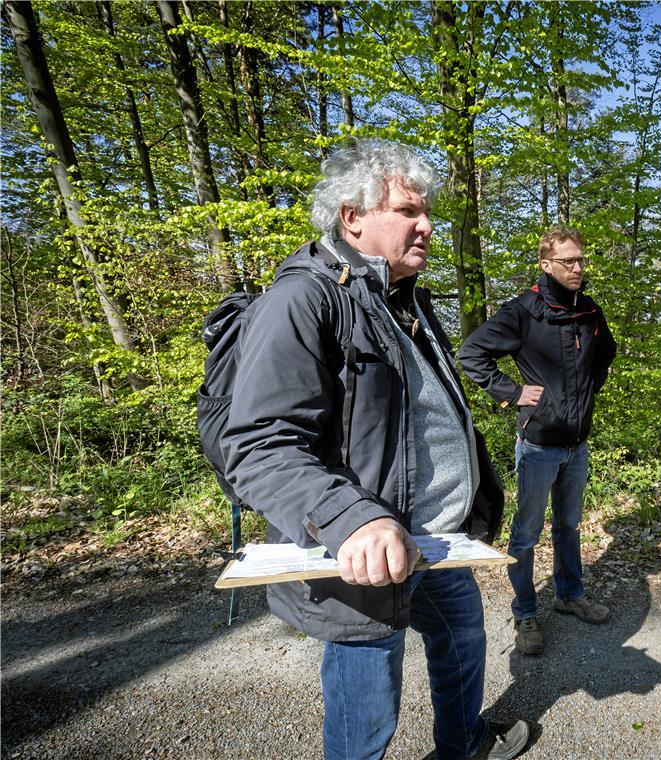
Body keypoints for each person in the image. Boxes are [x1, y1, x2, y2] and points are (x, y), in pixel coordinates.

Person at [221, 139, 527, 759]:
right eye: (408, 212)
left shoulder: (402, 296)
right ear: (352, 216)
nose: (427, 225)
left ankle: (462, 743)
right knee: (368, 698)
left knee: (463, 638)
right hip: (365, 550)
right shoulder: (303, 300)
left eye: (427, 212)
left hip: (437, 539)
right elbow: (258, 443)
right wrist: (352, 518)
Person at [458, 226, 617, 656]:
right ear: (546, 264)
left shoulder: (590, 312)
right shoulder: (524, 311)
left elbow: (605, 357)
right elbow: (471, 353)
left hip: (577, 444)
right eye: (569, 261)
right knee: (526, 533)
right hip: (539, 445)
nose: (578, 268)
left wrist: (583, 398)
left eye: (581, 260)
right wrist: (512, 393)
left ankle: (570, 595)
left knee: (568, 526)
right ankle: (525, 612)